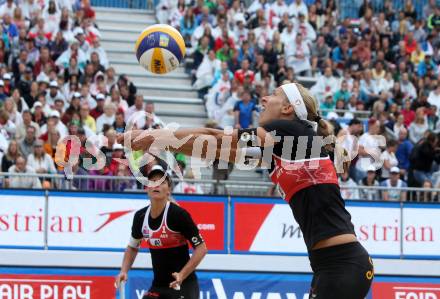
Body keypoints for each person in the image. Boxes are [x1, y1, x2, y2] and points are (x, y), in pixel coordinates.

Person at [119, 82, 374, 298]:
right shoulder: (284, 147)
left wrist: (154, 137)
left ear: (287, 109)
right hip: (334, 265)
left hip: (342, 264)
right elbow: (216, 150)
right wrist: (168, 144)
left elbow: (215, 136)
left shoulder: (292, 131)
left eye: (273, 94)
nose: (264, 98)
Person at [115, 165, 208, 299]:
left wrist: (182, 274)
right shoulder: (140, 217)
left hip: (183, 285)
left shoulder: (178, 215)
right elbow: (132, 247)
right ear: (147, 188)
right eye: (152, 182)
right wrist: (124, 270)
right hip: (158, 287)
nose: (156, 185)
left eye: (161, 182)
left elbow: (201, 248)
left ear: (168, 190)